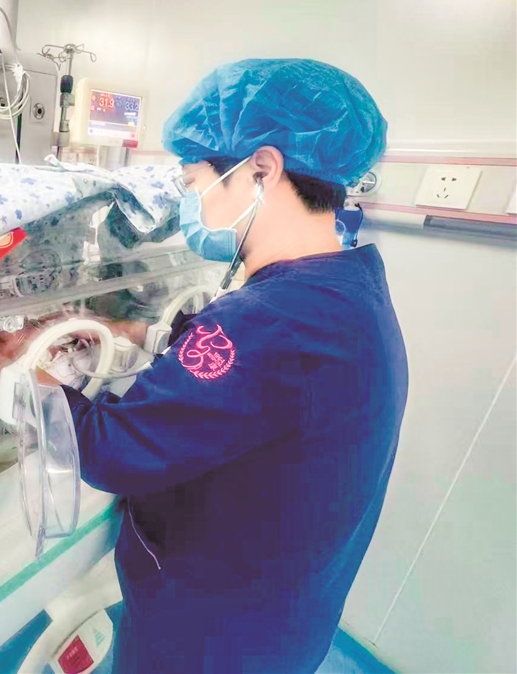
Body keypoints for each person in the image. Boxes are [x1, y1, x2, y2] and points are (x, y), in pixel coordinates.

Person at [27, 59, 407, 672]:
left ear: (262, 169)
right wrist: (139, 332)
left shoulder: (267, 322)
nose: (191, 203)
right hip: (285, 618)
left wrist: (33, 371)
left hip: (205, 637)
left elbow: (108, 452)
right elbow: (257, 387)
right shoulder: (350, 287)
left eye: (195, 182)